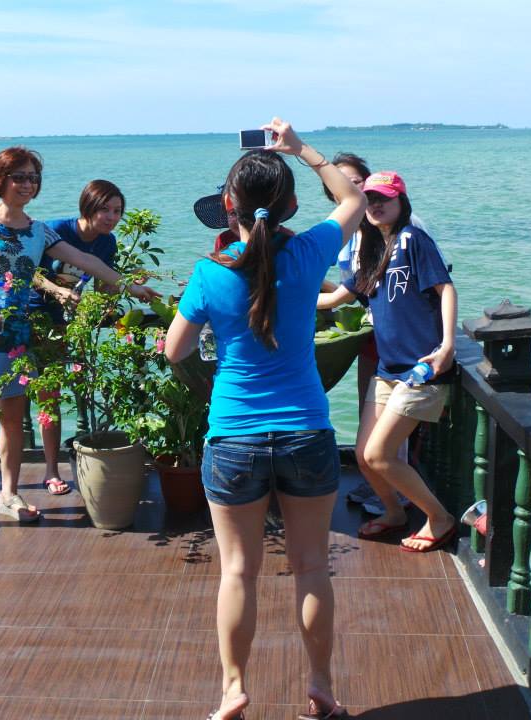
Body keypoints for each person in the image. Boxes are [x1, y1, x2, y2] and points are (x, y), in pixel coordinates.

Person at [166, 118, 366, 720]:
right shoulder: (307, 253)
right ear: (292, 208)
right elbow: (353, 199)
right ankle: (321, 685)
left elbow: (174, 351)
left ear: (227, 206)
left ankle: (233, 689)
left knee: (238, 572)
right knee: (311, 567)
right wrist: (301, 149)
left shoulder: (209, 273)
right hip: (306, 430)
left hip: (234, 436)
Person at [0, 147, 158, 537]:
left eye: (33, 178)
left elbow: (89, 262)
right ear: (0, 180)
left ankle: (9, 495)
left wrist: (132, 287)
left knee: (13, 420)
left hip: (21, 336)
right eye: (19, 177)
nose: (27, 184)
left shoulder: (39, 231)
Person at [317, 171, 457, 552]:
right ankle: (394, 513)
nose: (376, 205)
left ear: (401, 202)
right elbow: (338, 297)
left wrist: (447, 346)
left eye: (384, 198)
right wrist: (287, 294)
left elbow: (446, 289)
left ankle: (440, 518)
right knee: (364, 457)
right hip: (387, 370)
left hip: (420, 368)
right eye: (370, 199)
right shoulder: (371, 250)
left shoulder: (413, 238)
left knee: (380, 454)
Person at [24, 179, 126, 496]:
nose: (111, 217)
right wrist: (56, 290)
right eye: (105, 209)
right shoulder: (56, 230)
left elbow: (103, 285)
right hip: (33, 317)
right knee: (20, 398)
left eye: (117, 211)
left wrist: (120, 291)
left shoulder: (107, 243)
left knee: (55, 395)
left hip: (65, 323)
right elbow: (28, 272)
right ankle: (47, 471)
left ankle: (54, 469)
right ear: (87, 207)